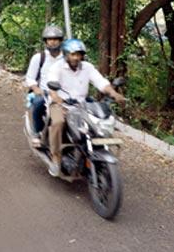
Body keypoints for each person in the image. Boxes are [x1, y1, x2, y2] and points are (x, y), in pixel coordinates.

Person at [43, 38, 127, 176]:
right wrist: (58, 100)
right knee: (58, 122)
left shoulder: (87, 67)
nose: (76, 57)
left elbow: (101, 83)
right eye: (73, 54)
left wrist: (114, 93)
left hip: (81, 105)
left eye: (79, 54)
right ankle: (55, 157)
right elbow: (52, 88)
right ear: (66, 54)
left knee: (95, 125)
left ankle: (90, 153)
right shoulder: (57, 67)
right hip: (59, 104)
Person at [23, 25, 65, 147]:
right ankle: (38, 133)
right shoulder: (39, 57)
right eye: (49, 39)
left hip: (63, 93)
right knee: (38, 103)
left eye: (56, 39)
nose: (52, 42)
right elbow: (30, 77)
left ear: (61, 40)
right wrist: (36, 89)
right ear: (45, 41)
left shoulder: (66, 57)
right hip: (45, 92)